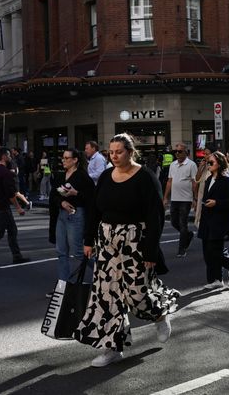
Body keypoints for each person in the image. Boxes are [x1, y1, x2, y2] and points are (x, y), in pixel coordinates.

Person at [75, 133, 179, 368]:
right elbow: (94, 210)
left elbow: (156, 216)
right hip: (107, 241)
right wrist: (89, 239)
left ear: (131, 152)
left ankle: (159, 315)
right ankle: (111, 347)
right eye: (111, 152)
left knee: (137, 294)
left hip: (135, 241)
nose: (114, 156)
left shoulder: (145, 177)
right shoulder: (104, 176)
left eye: (119, 152)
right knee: (106, 297)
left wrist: (151, 251)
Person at [198, 151, 229, 289]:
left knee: (214, 250)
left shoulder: (227, 180)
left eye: (211, 162)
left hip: (219, 221)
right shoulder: (209, 179)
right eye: (208, 162)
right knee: (207, 252)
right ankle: (216, 280)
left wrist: (216, 203)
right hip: (206, 220)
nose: (208, 165)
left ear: (220, 163)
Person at [53, 147, 95, 285]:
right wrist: (62, 202)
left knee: (78, 251)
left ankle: (103, 272)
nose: (63, 161)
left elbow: (91, 198)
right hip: (62, 216)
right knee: (61, 252)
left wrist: (75, 193)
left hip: (77, 215)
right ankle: (63, 285)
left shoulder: (83, 176)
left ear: (75, 160)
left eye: (67, 158)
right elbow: (53, 195)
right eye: (63, 158)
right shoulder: (60, 175)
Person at [164, 143, 198, 257]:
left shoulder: (191, 165)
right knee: (174, 222)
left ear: (186, 152)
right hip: (175, 198)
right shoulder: (173, 165)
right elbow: (169, 181)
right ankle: (188, 235)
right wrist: (165, 198)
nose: (177, 154)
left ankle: (182, 249)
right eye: (176, 152)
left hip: (186, 199)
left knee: (183, 223)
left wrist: (195, 198)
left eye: (180, 151)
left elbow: (194, 183)